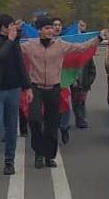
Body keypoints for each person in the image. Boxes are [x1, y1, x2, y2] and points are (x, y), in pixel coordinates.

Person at [21, 16, 102, 168]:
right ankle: (38, 153)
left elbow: (82, 47)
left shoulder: (60, 45)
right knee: (35, 120)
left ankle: (49, 156)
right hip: (35, 88)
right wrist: (15, 33)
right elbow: (13, 49)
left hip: (54, 88)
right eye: (47, 28)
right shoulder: (30, 46)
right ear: (39, 31)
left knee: (52, 124)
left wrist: (99, 38)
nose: (51, 30)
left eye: (52, 28)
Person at [0, 15, 30, 180]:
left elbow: (20, 64)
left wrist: (27, 86)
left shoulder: (14, 42)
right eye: (10, 25)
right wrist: (10, 39)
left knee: (11, 127)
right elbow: (0, 55)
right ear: (3, 27)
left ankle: (9, 161)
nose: (14, 28)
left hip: (13, 89)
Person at [51, 18, 74, 145]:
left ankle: (64, 128)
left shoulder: (67, 41)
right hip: (49, 80)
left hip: (64, 79)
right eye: (55, 25)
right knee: (50, 108)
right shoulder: (44, 42)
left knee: (67, 106)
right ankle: (51, 133)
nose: (57, 27)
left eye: (59, 25)